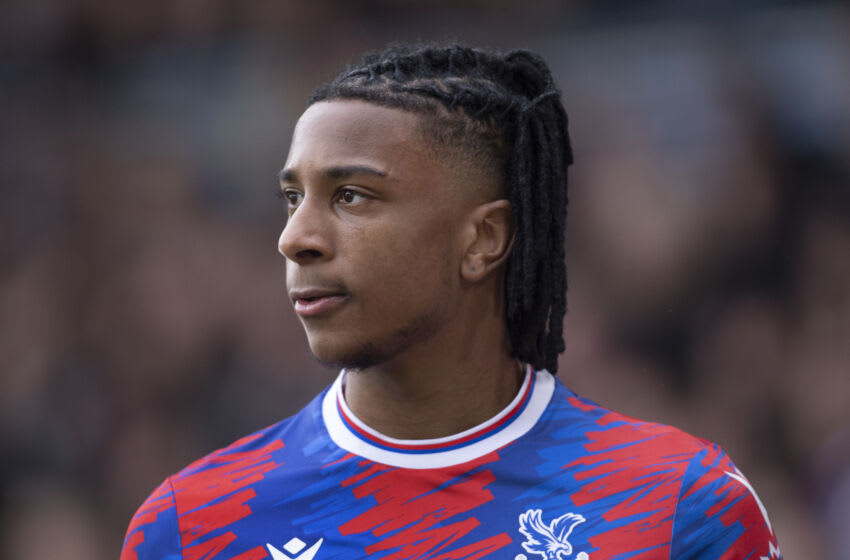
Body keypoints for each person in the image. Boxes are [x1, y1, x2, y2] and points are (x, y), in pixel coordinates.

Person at [121, 44, 781, 560]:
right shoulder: (191, 528)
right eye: (293, 198)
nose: (296, 238)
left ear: (483, 239)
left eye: (351, 196)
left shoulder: (680, 507)